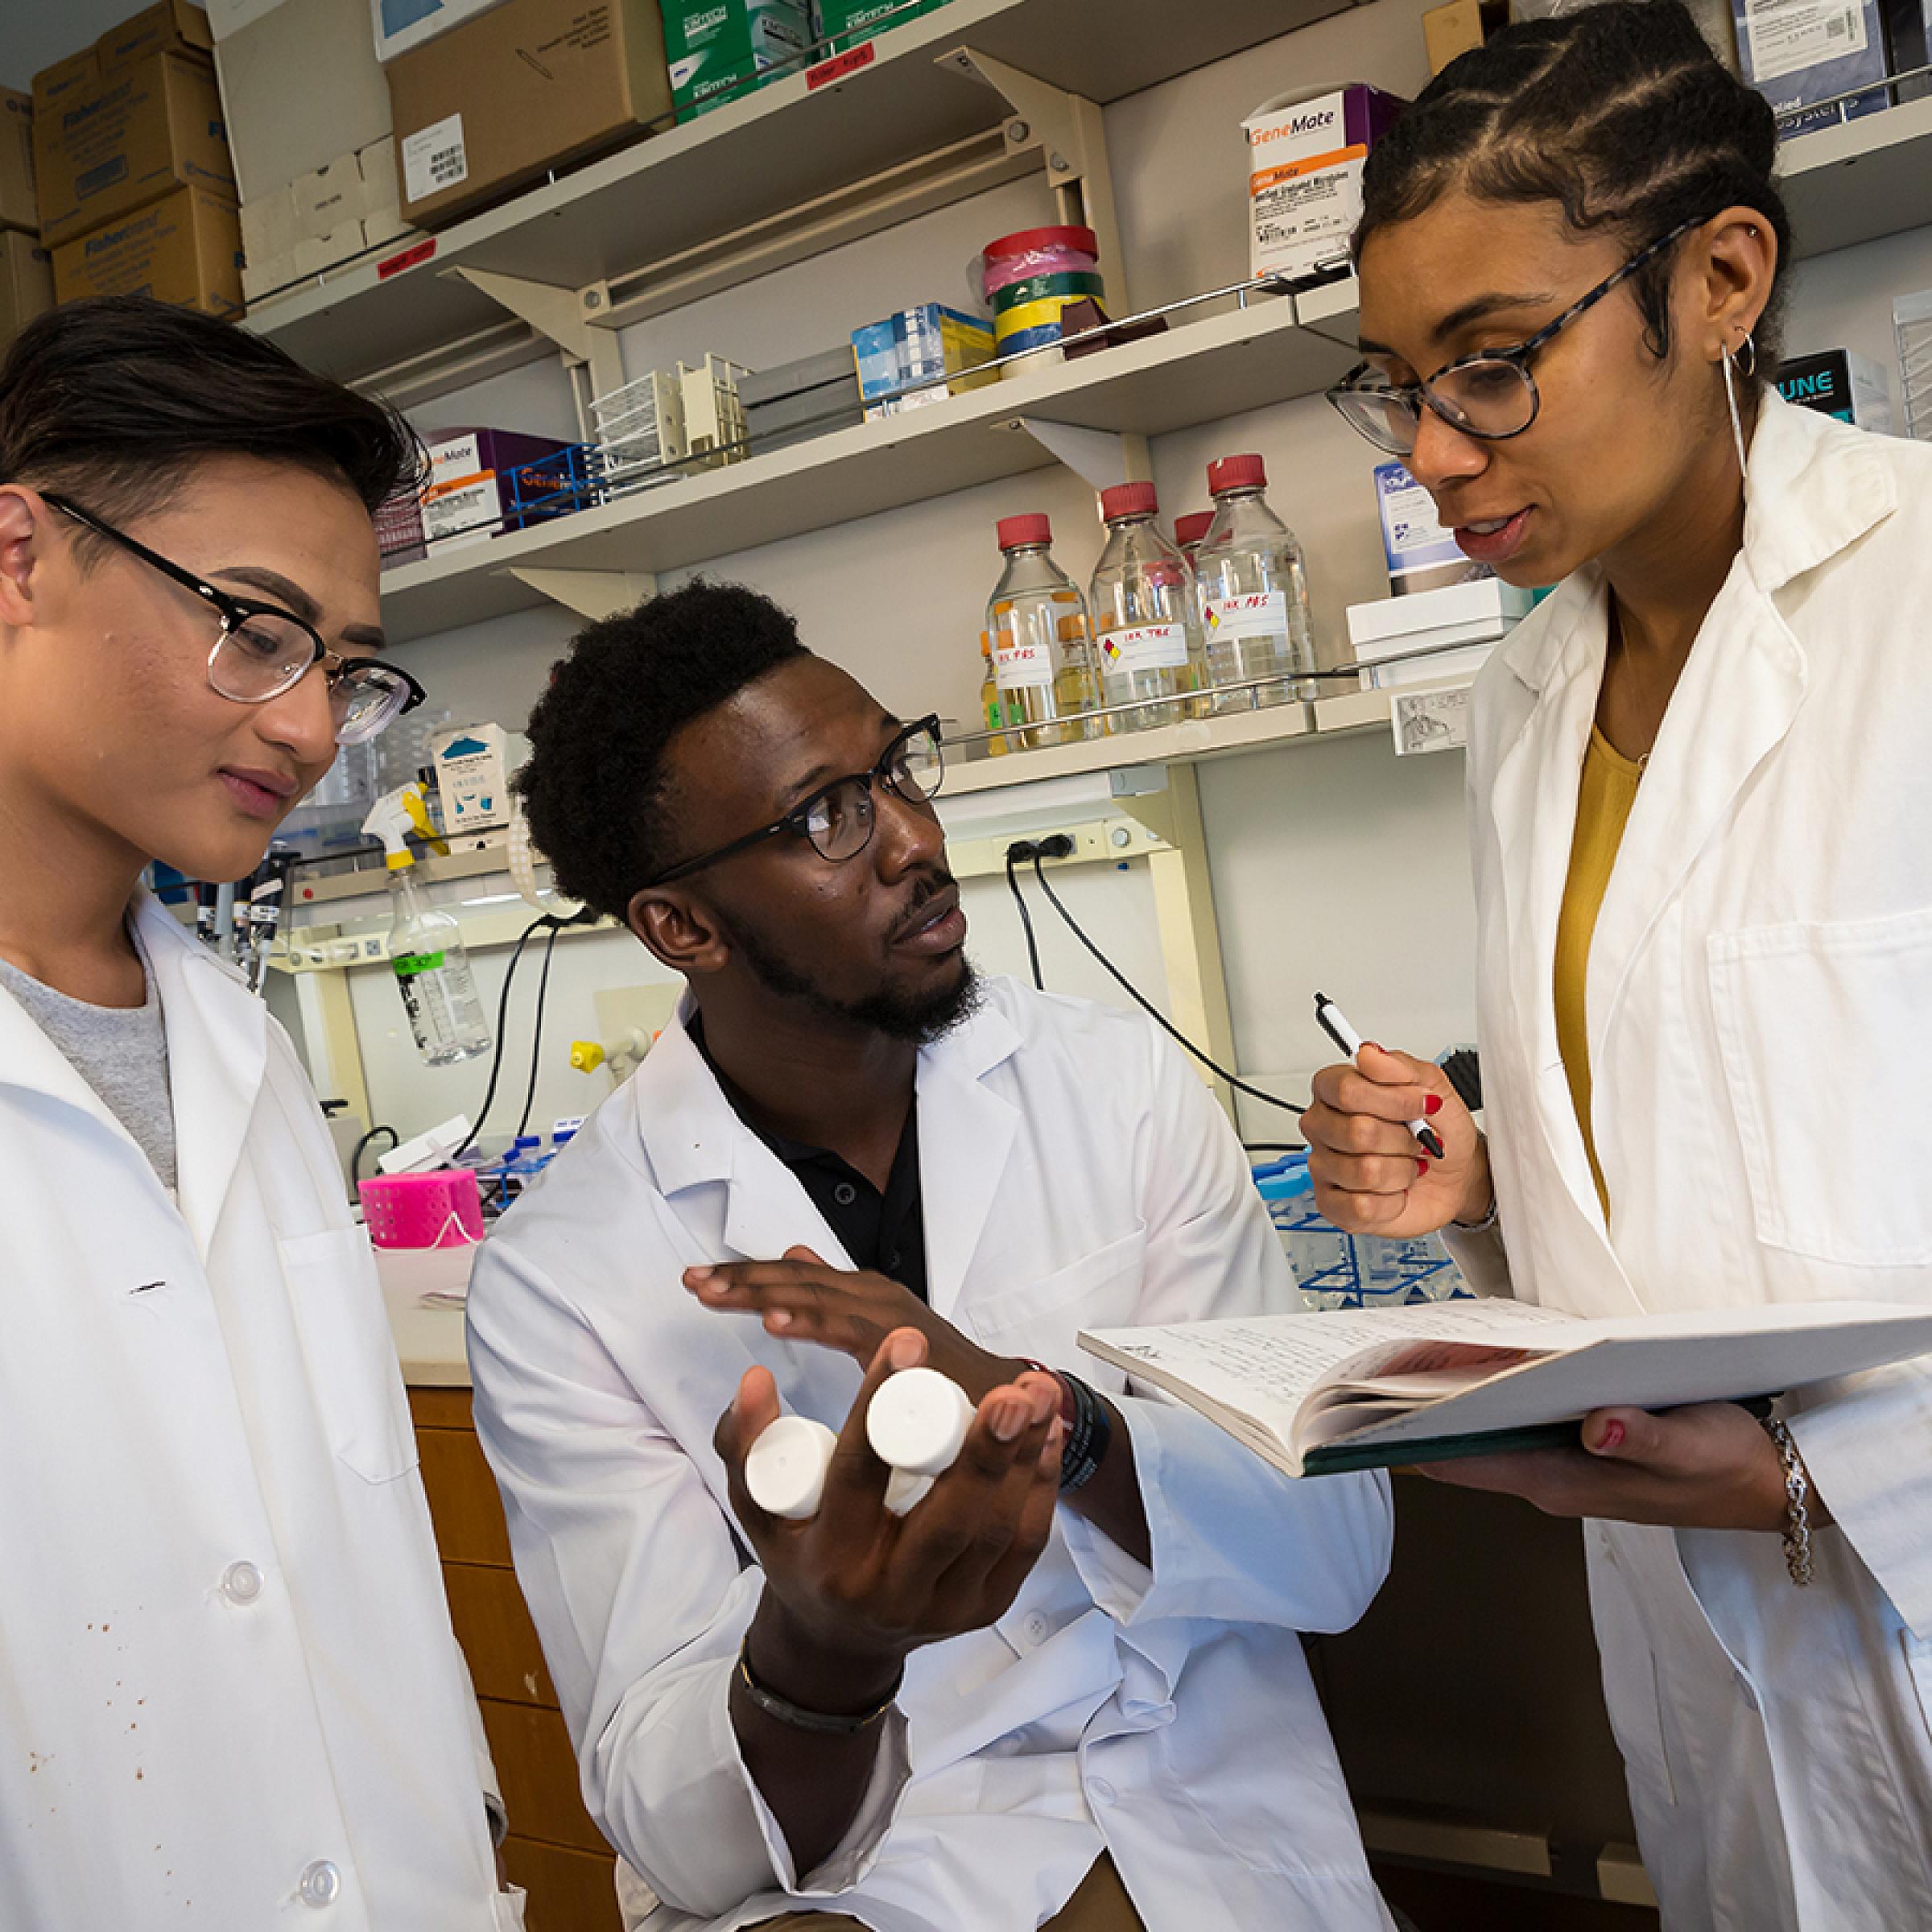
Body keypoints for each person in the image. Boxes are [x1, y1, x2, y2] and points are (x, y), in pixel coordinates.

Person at [464, 580, 1397, 1932]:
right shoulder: (566, 1275)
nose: (914, 838)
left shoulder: (1112, 1084)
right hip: (874, 1878)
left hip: (1210, 1820)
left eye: (896, 769)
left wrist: (1064, 1426)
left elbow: (1334, 1548)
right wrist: (826, 1652)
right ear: (682, 926)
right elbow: (681, 1837)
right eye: (828, 817)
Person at [1302, 5, 1932, 1926]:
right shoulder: (1523, 697)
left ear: (1721, 278)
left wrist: (1826, 1490)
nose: (1430, 452)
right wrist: (1496, 1193)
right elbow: (1702, 1152)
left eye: (1493, 367)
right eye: (1398, 384)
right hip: (1697, 1652)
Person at [0, 296, 522, 1926]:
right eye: (253, 624)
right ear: (18, 557)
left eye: (349, 670)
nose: (309, 728)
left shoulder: (243, 1048)